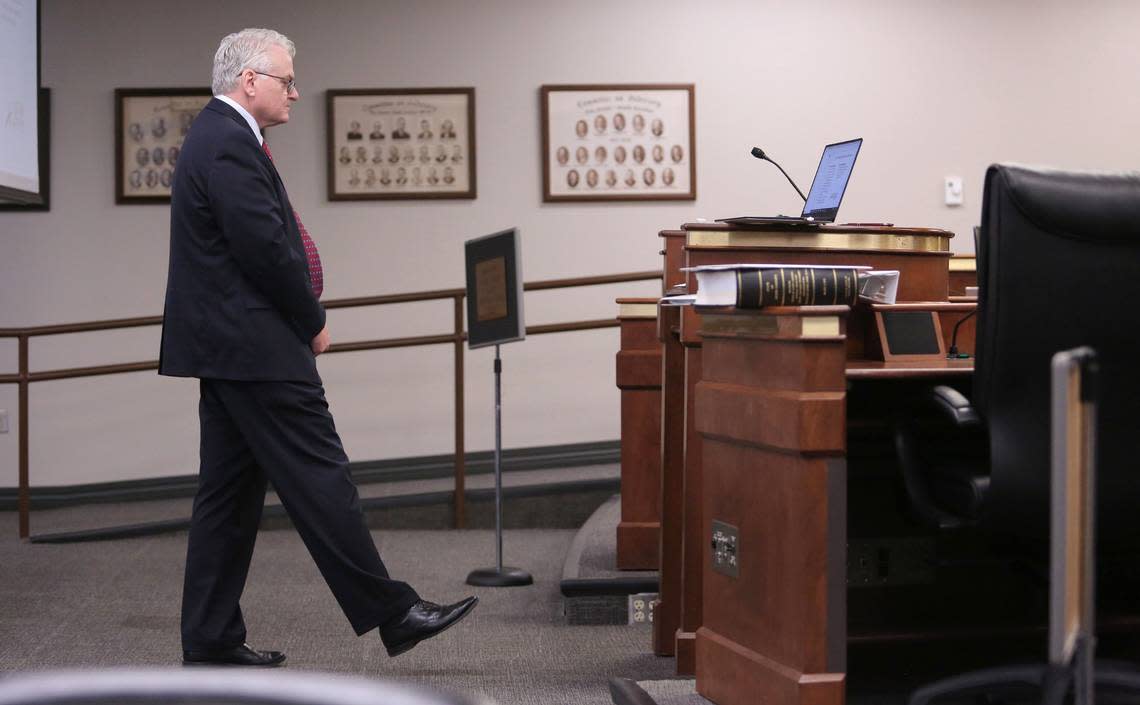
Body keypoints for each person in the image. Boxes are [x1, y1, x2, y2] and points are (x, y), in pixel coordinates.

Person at [159, 27, 477, 669]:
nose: (296, 93)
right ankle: (394, 613)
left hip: (231, 349)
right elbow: (265, 250)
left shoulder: (222, 138)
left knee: (227, 497)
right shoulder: (226, 142)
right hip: (257, 346)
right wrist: (311, 319)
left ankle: (210, 639)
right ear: (250, 81)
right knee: (321, 477)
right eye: (286, 80)